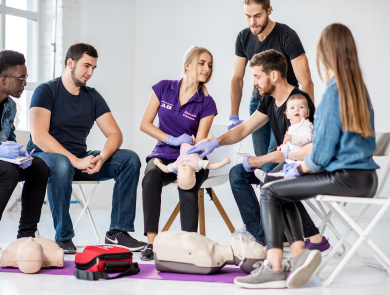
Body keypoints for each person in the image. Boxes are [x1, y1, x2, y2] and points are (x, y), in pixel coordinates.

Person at [233, 23, 378, 289]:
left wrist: (299, 169)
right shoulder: (358, 89)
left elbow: (322, 155)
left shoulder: (336, 91)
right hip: (366, 178)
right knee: (280, 189)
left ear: (326, 54)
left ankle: (274, 266)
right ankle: (299, 256)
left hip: (345, 178)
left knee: (270, 190)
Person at [188, 49, 330, 254]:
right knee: (237, 174)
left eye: (256, 76)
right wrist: (215, 143)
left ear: (273, 75)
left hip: (302, 165)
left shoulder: (298, 102)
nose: (254, 82)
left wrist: (255, 161)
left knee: (270, 178)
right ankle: (263, 237)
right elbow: (245, 128)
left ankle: (295, 238)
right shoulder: (269, 100)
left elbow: (297, 150)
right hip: (285, 162)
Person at [27, 43, 146, 254]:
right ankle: (63, 237)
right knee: (62, 163)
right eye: (86, 66)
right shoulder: (46, 91)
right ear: (70, 63)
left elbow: (115, 134)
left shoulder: (92, 96)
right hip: (44, 158)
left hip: (78, 159)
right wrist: (75, 161)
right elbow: (39, 136)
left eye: (94, 68)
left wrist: (101, 157)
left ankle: (118, 232)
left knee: (130, 159)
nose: (90, 73)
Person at [139, 46, 218, 261]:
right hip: (163, 154)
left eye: (209, 65)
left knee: (187, 184)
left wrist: (188, 154)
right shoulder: (164, 88)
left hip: (191, 157)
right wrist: (171, 139)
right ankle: (151, 243)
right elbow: (145, 124)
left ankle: (189, 244)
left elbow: (200, 142)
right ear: (188, 65)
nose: (207, 68)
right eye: (202, 63)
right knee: (150, 178)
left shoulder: (207, 102)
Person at [229, 0, 314, 176]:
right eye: (247, 16)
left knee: (275, 161)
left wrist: (307, 117)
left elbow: (306, 80)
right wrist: (233, 115)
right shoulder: (243, 37)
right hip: (259, 103)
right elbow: (237, 78)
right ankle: (266, 204)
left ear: (269, 10)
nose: (252, 22)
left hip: (285, 105)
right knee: (262, 166)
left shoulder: (286, 36)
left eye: (258, 16)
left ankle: (280, 200)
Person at [0, 50, 49, 259]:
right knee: (8, 172)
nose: (25, 83)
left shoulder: (10, 106)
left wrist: (18, 152)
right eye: (21, 78)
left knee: (39, 167)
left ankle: (26, 237)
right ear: (4, 79)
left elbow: (9, 137)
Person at [254, 93, 313, 182]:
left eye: (301, 107)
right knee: (280, 167)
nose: (296, 109)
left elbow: (308, 138)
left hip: (300, 160)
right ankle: (268, 177)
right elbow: (290, 145)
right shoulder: (291, 128)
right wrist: (283, 148)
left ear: (307, 112)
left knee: (284, 172)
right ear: (287, 115)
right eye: (292, 108)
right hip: (291, 158)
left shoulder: (306, 125)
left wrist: (293, 138)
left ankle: (269, 178)